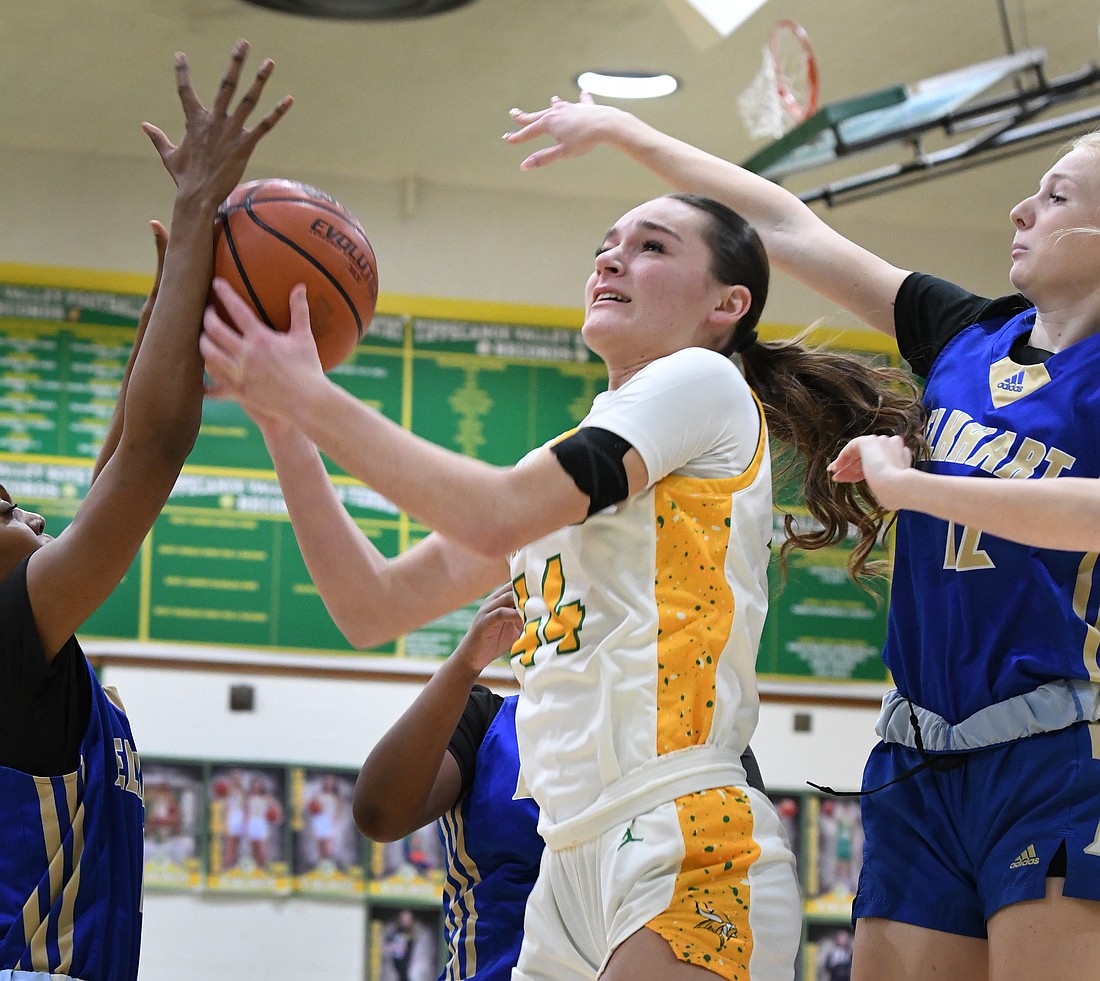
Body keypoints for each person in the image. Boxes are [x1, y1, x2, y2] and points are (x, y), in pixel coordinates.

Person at [200, 123, 924, 979]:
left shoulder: (703, 382)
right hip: (568, 858)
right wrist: (285, 428)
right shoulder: (584, 460)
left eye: (650, 247)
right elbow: (373, 607)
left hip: (680, 833)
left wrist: (314, 397)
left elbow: (494, 511)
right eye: (604, 247)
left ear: (726, 305)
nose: (610, 261)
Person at [499, 97, 1100, 980]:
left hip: (1058, 745)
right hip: (918, 750)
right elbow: (782, 221)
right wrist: (624, 133)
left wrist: (908, 485)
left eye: (1053, 197)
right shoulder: (966, 333)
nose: (1020, 210)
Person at [0, 41, 290, 981]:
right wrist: (199, 206)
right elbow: (150, 462)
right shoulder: (6, 637)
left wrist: (171, 296)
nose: (24, 505)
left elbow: (118, 468)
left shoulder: (30, 645)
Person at [354, 584, 774, 981]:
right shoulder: (487, 721)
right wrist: (465, 664)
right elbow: (378, 815)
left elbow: (746, 897)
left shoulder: (701, 737)